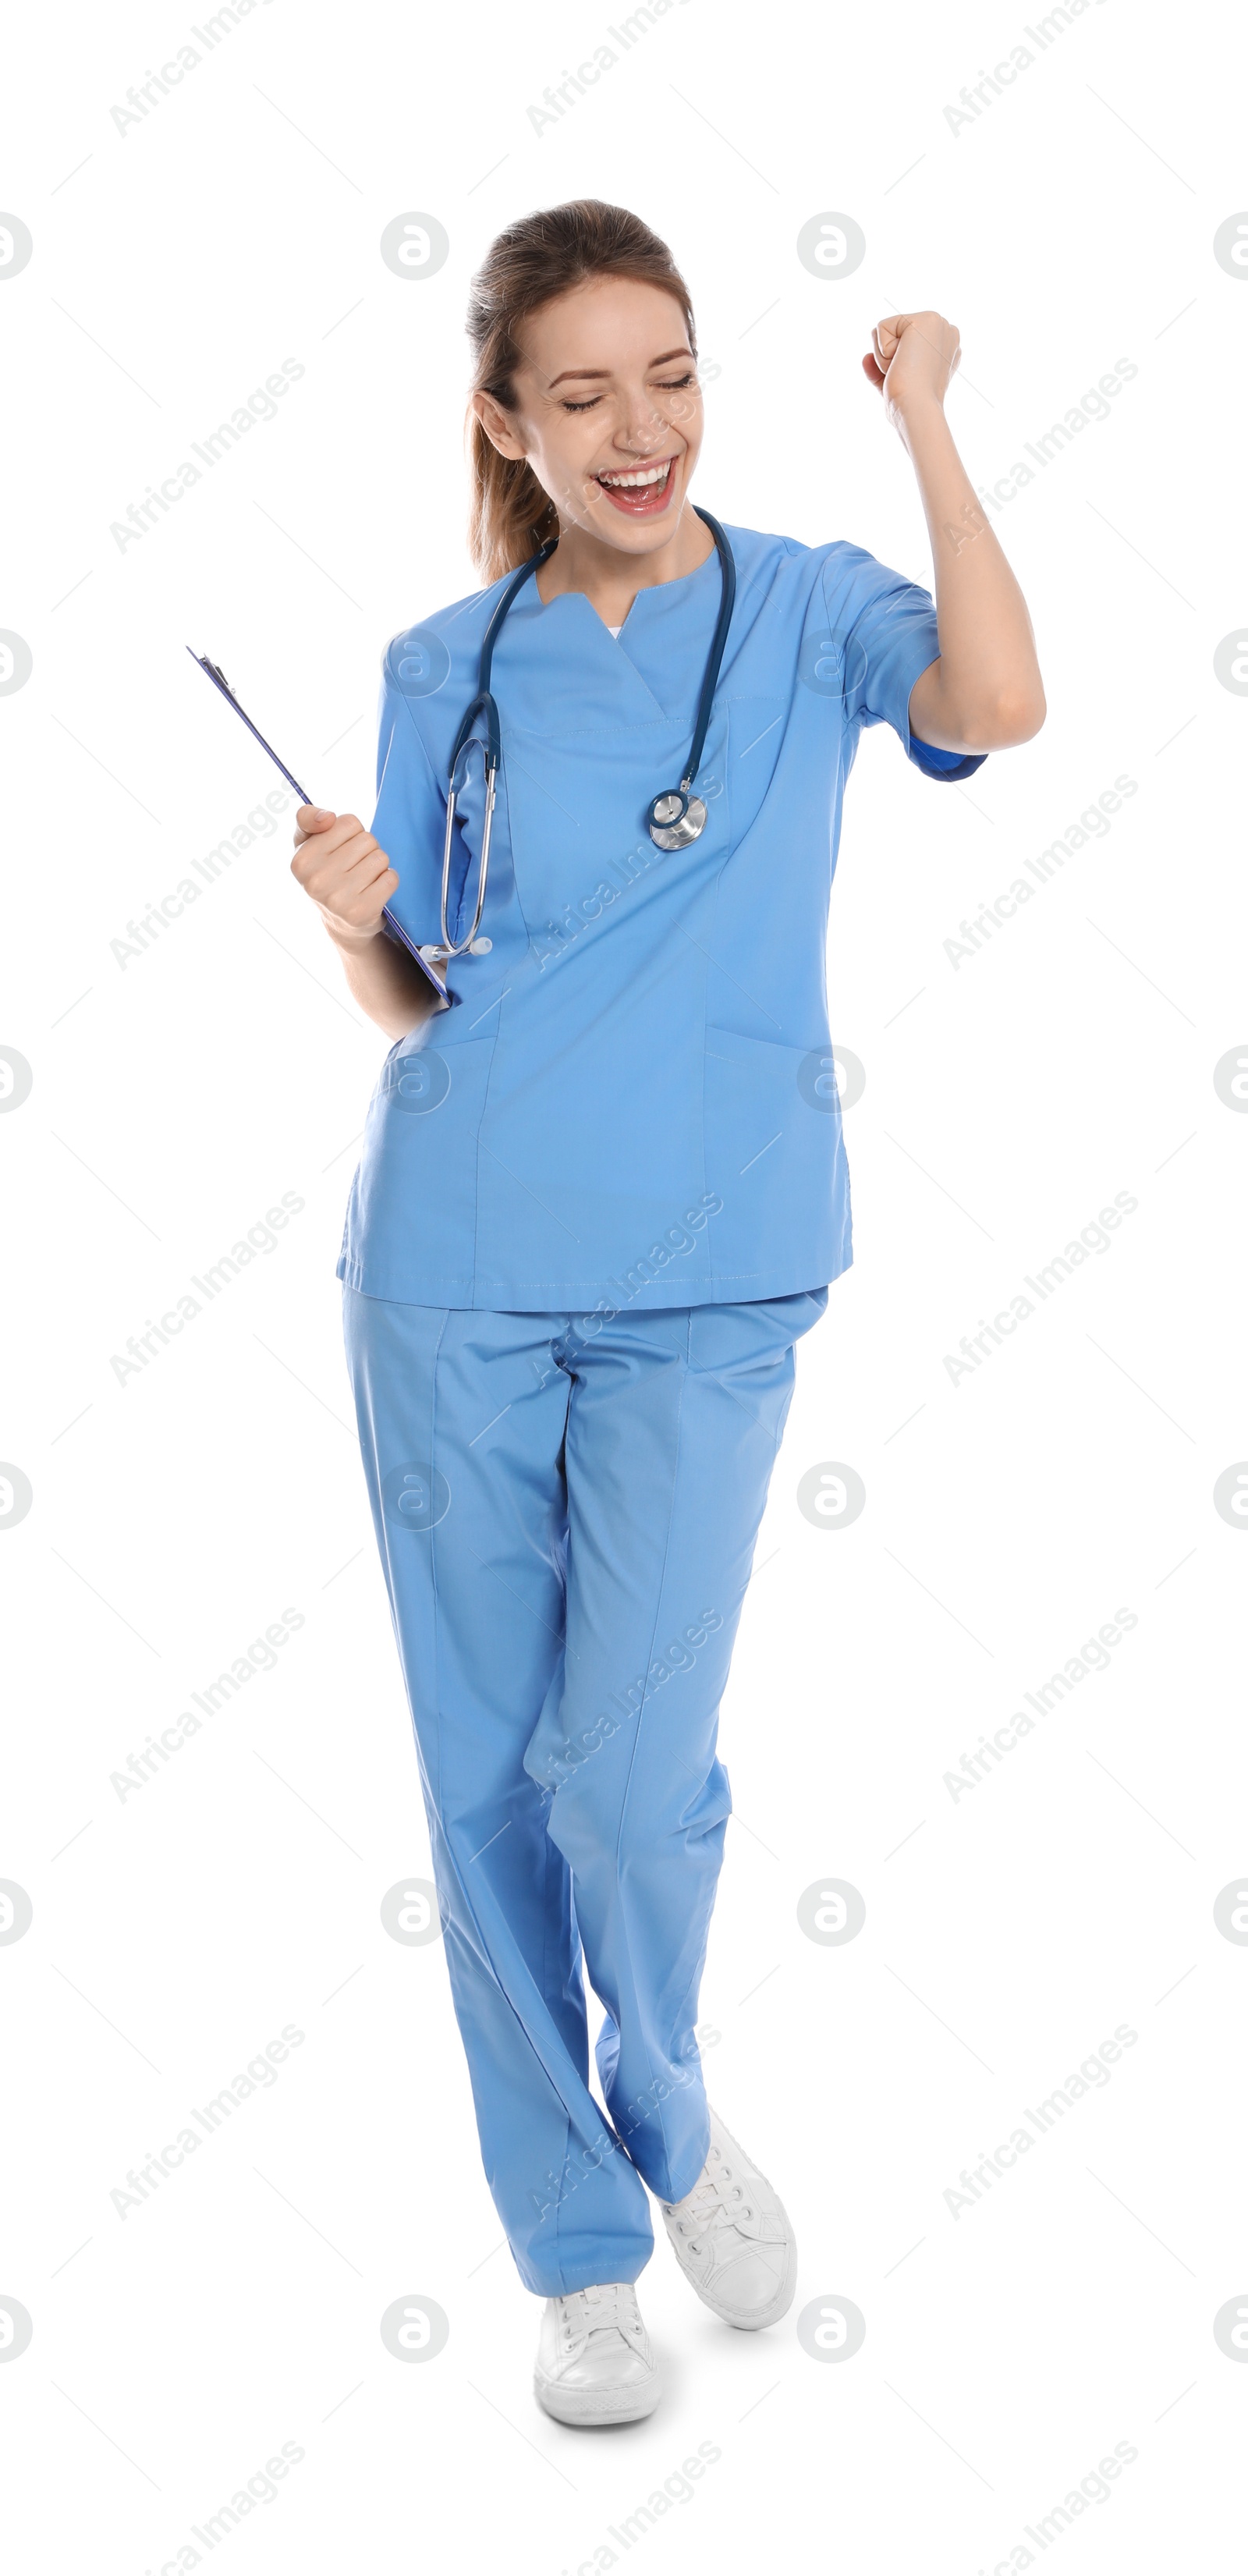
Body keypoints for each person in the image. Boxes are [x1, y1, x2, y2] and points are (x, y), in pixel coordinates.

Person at [289, 199, 1044, 2429]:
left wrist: (926, 421)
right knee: (482, 1778)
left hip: (714, 1261)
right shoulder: (453, 659)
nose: (643, 428)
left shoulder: (811, 608)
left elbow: (998, 702)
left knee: (625, 1780)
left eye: (676, 374)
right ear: (506, 425)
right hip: (454, 1259)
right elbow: (419, 989)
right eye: (587, 392)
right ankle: (575, 2247)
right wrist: (351, 920)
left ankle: (679, 2115)